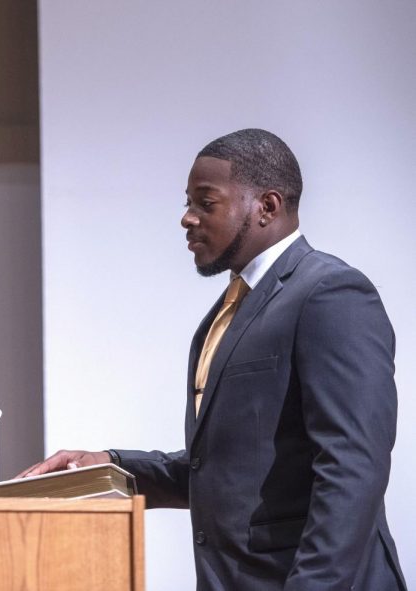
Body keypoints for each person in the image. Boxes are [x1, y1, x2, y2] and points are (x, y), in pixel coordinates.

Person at [20, 129, 407, 590]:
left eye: (206, 203)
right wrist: (110, 466)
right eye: (188, 202)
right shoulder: (225, 313)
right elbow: (221, 469)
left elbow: (353, 465)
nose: (187, 218)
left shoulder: (330, 294)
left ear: (267, 206)